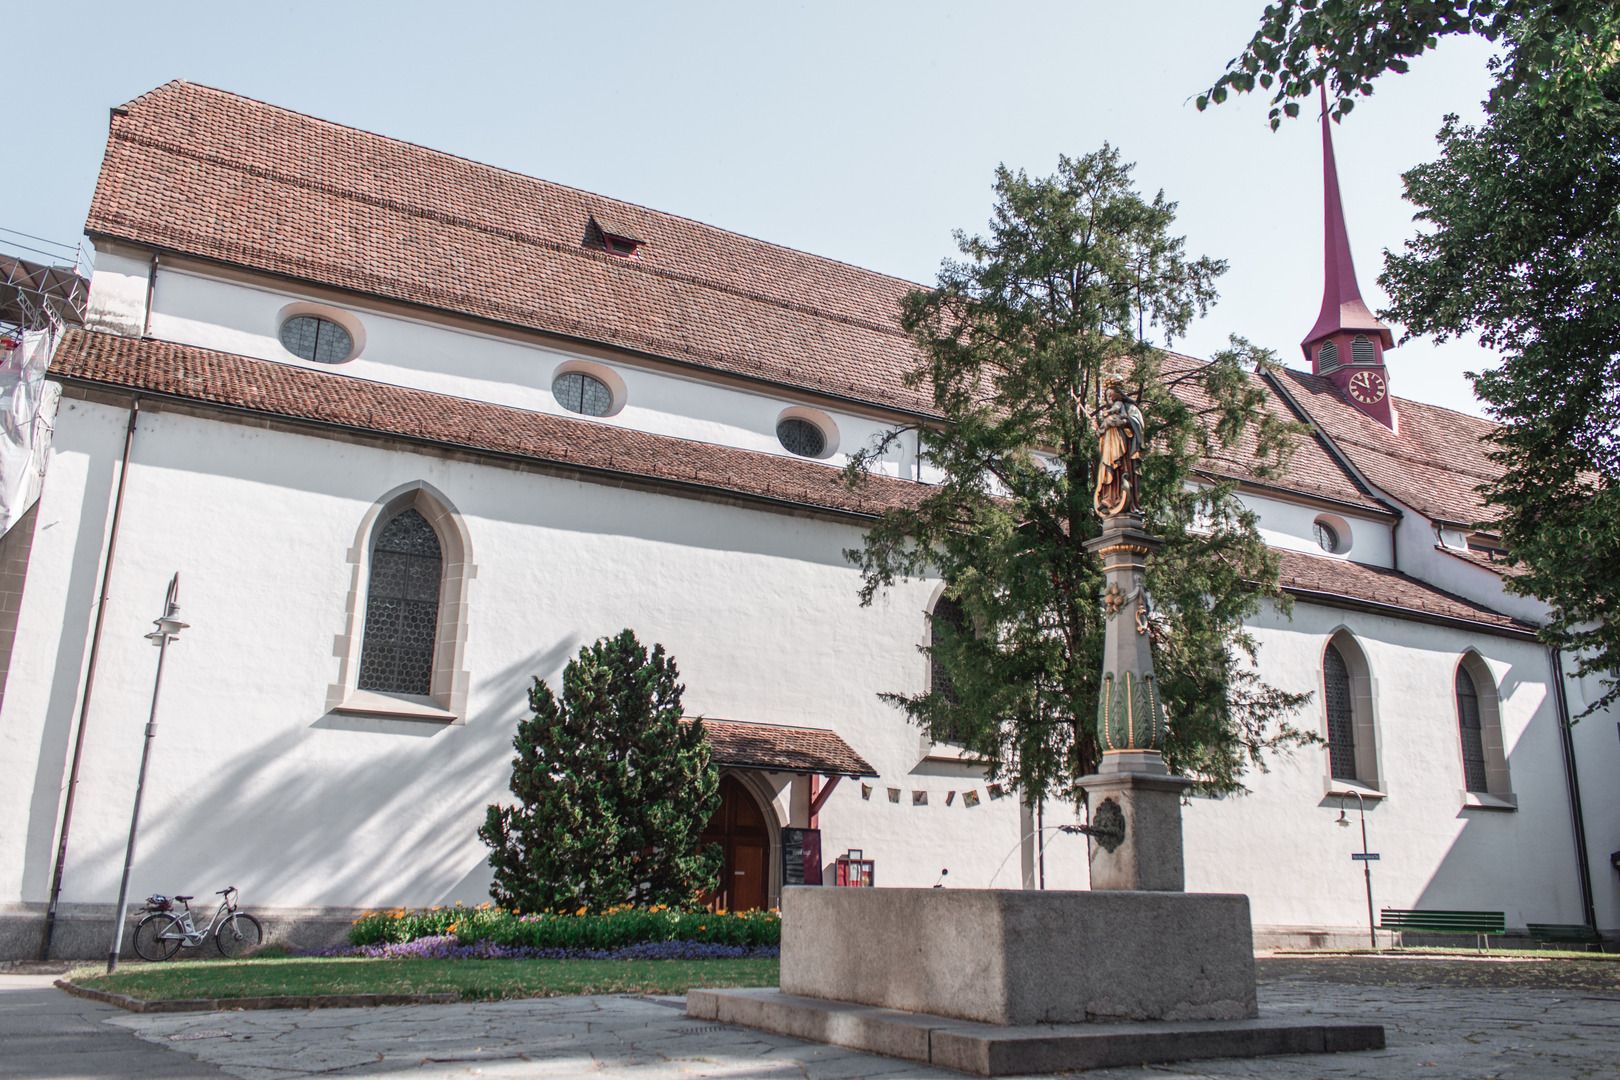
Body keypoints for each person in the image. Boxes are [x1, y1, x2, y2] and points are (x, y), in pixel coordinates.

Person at [1093, 381, 1144, 516]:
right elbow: (1101, 433)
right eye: (1108, 396)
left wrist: (1124, 422)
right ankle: (1109, 498)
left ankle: (1125, 499)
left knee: (1123, 473)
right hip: (1109, 451)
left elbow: (1138, 424)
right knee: (1109, 473)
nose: (1110, 399)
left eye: (1112, 395)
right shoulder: (1109, 415)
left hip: (1126, 451)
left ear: (1119, 395)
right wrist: (1099, 431)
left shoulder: (1130, 408)